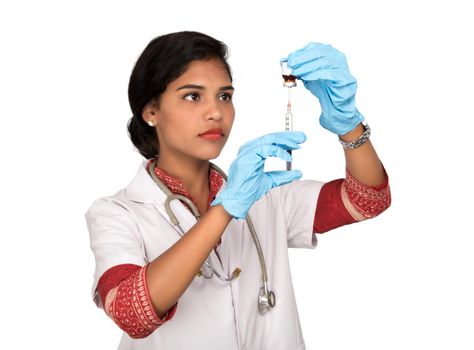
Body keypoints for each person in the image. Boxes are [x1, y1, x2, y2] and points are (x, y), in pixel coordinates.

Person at [86, 31, 391, 350]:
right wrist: (226, 209)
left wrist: (348, 125)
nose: (216, 112)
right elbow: (131, 314)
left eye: (225, 96)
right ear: (151, 111)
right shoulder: (117, 212)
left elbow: (367, 199)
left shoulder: (265, 193)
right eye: (193, 96)